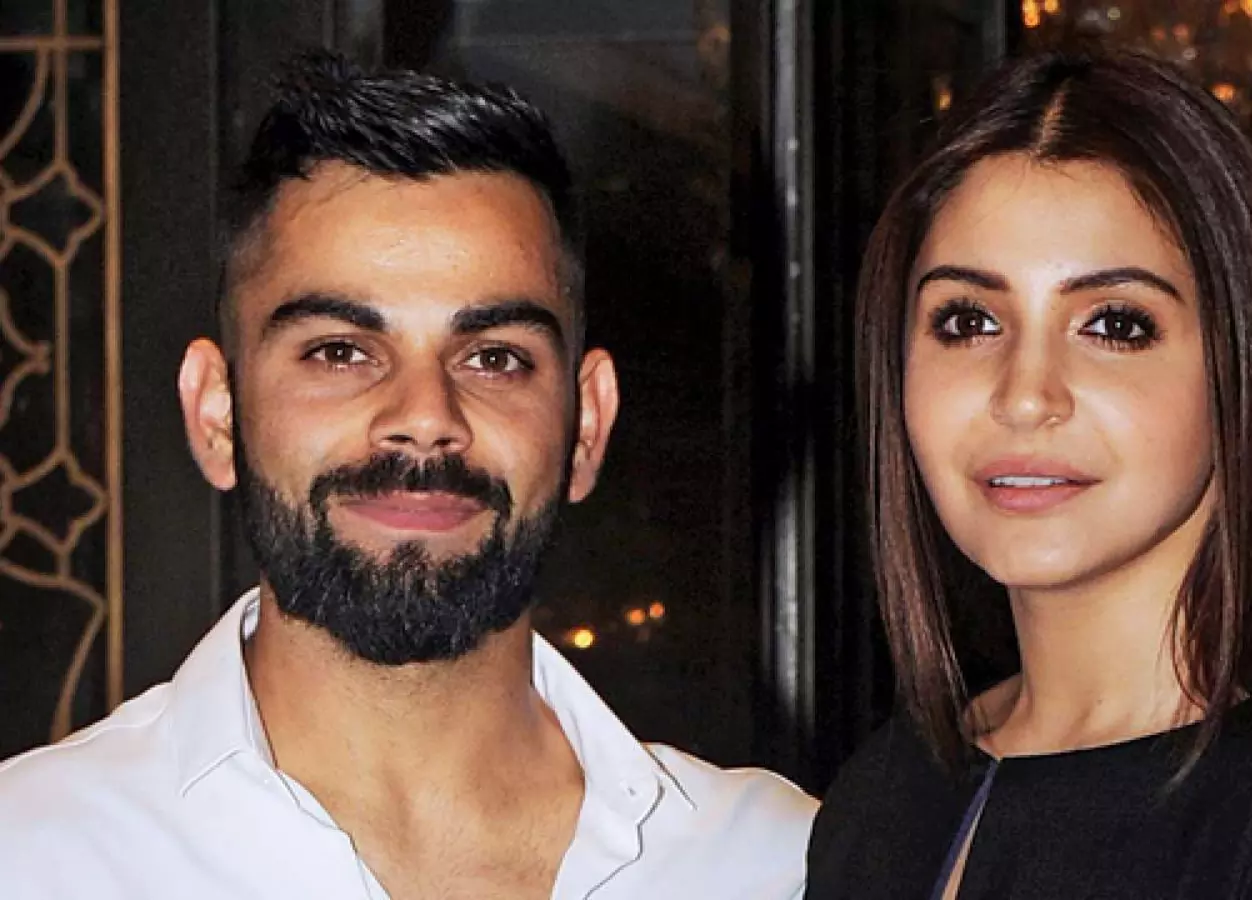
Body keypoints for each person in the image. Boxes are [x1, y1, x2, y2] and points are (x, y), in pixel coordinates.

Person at [0, 52, 814, 899]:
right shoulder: (31, 858)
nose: (425, 416)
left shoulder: (783, 866)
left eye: (494, 358)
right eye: (340, 352)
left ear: (586, 426)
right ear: (217, 414)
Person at [806, 48, 1252, 899]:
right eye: (968, 320)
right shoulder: (881, 798)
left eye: (1115, 324)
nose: (1025, 396)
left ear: (1242, 365)